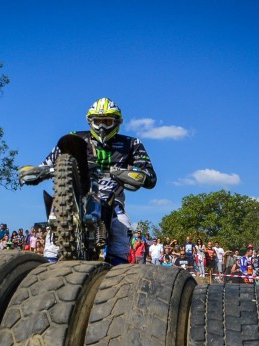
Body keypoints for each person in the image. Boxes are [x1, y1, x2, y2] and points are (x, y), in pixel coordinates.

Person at [18, 98, 157, 265]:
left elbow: (150, 175)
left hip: (111, 199)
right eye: (98, 121)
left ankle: (117, 273)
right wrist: (36, 172)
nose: (102, 126)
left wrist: (137, 176)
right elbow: (48, 163)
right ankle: (51, 264)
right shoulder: (74, 139)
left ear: (117, 122)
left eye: (107, 121)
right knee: (54, 219)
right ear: (90, 121)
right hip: (76, 195)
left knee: (121, 227)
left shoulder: (131, 143)